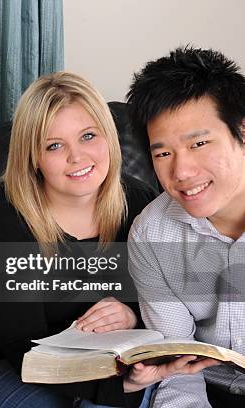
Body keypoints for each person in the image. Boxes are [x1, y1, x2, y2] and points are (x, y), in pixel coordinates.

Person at [0, 72, 209, 408]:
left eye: (88, 136)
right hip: (17, 367)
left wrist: (131, 313)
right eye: (54, 145)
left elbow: (171, 300)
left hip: (114, 362)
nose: (76, 157)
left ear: (108, 137)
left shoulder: (140, 204)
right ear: (33, 157)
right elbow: (23, 349)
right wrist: (121, 388)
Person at [126, 46, 245, 407]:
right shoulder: (150, 235)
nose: (181, 172)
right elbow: (178, 363)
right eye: (163, 153)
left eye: (199, 143)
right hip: (211, 389)